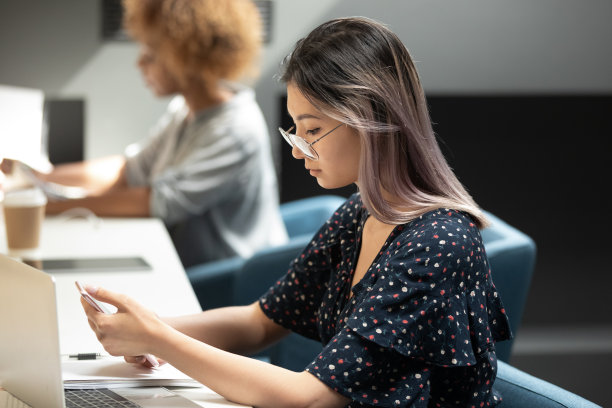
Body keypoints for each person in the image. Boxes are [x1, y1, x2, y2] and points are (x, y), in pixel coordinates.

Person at [79, 17, 512, 407]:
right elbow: (259, 322)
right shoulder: (359, 214)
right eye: (296, 130)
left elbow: (308, 397)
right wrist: (146, 328)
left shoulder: (438, 245)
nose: (300, 150)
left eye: (314, 130)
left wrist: (161, 340)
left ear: (369, 117)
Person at [1, 0, 287, 268]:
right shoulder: (186, 110)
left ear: (188, 58)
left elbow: (158, 202)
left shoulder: (235, 130)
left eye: (150, 54)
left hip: (225, 277)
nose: (139, 63)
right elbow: (130, 170)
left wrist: (43, 207)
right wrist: (39, 176)